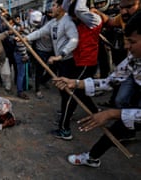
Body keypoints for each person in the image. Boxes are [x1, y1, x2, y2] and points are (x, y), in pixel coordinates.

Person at [52, 10, 141, 167]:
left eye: (132, 42)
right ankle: (92, 157)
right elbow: (110, 81)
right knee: (118, 127)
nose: (126, 46)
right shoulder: (134, 59)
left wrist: (112, 114)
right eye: (126, 41)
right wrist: (75, 83)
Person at [23, 0, 79, 139]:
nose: (50, 8)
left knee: (67, 92)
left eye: (53, 5)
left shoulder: (67, 22)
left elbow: (74, 40)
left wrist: (60, 55)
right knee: (64, 91)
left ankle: (65, 129)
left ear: (61, 7)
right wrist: (26, 38)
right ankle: (66, 115)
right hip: (60, 61)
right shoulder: (53, 23)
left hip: (68, 62)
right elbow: (40, 32)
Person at [50, 0, 102, 140]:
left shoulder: (94, 20)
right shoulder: (79, 21)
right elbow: (68, 7)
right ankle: (96, 112)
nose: (72, 19)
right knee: (81, 92)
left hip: (87, 63)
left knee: (70, 94)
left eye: (74, 16)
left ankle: (64, 129)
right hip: (78, 62)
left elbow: (78, 8)